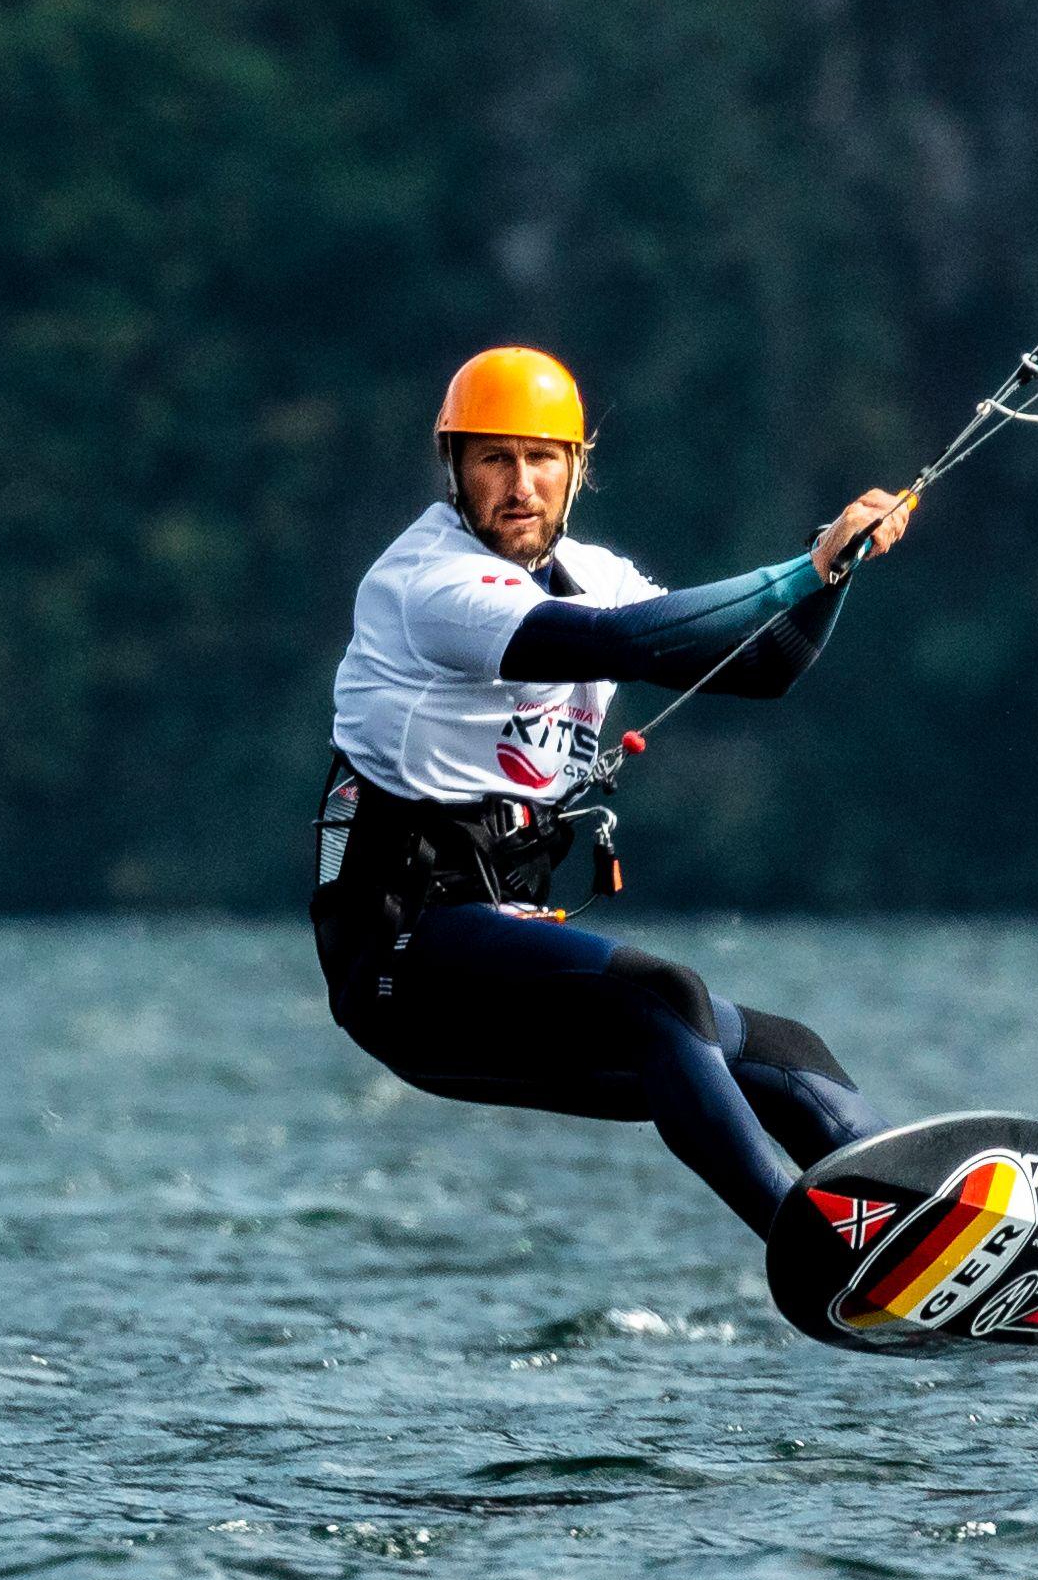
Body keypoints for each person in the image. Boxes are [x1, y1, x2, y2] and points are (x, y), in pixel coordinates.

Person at [310, 346, 916, 1235]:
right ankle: (816, 1249)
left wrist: (835, 566)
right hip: (403, 962)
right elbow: (621, 643)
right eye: (493, 459)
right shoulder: (426, 584)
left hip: (500, 949)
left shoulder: (596, 570)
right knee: (663, 995)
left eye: (542, 458)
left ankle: (926, 1236)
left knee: (787, 1054)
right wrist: (804, 569)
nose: (519, 484)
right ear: (455, 469)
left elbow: (764, 665)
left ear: (577, 469)